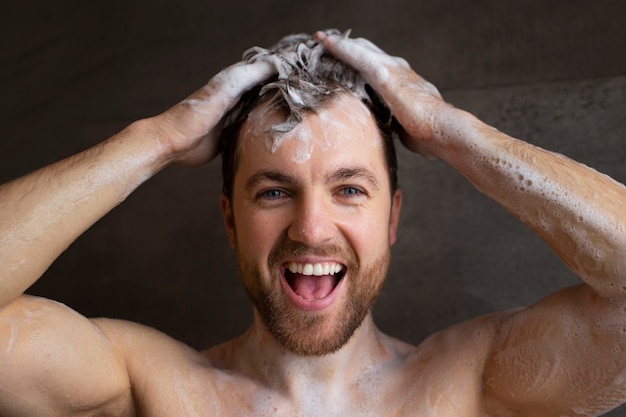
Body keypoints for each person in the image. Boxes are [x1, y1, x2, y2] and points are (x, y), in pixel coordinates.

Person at [0, 28, 625, 417]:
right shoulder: (146, 385)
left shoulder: (475, 386)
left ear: (392, 220)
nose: (312, 228)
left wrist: (452, 131)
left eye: (349, 189)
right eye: (274, 192)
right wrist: (157, 140)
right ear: (230, 220)